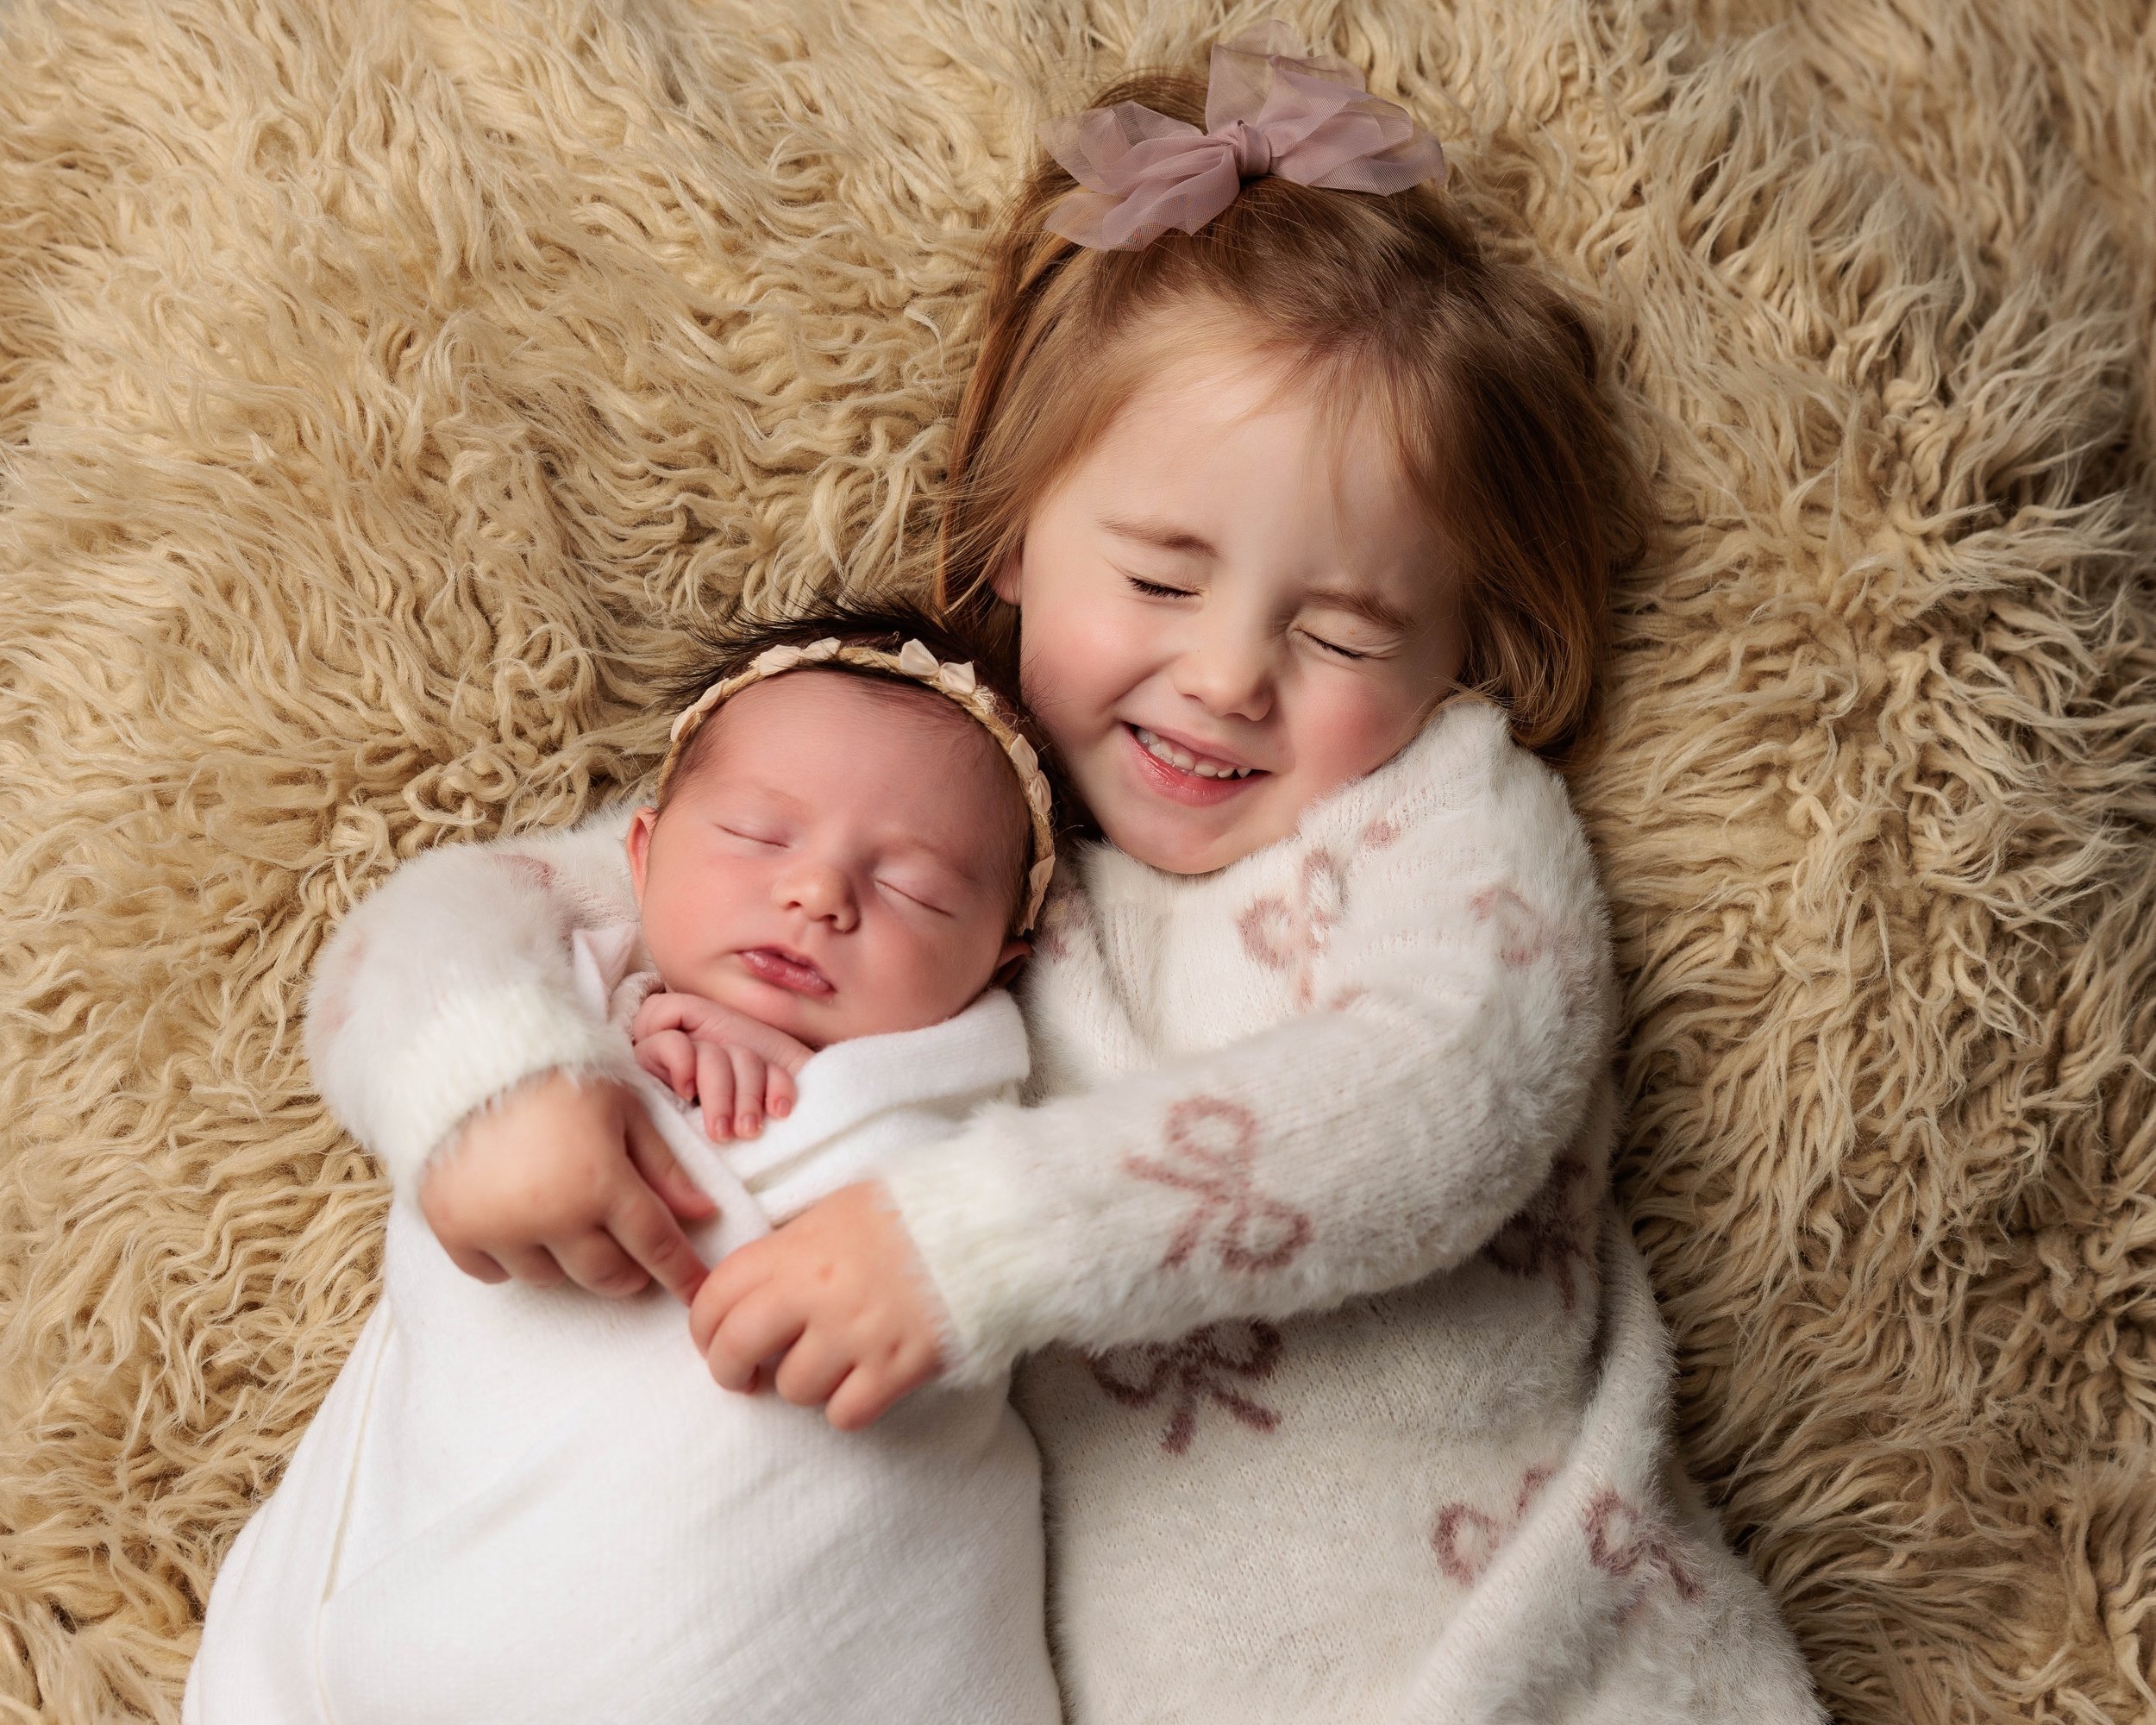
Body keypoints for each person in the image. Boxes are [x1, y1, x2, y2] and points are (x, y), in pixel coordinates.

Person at [285, 27, 1827, 1722]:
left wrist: (979, 1242)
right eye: (1160, 580)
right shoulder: (938, 817)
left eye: (1336, 631)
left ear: (1460, 646)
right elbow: (443, 917)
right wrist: (491, 1083)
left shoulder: (1427, 817)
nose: (1229, 678)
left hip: (1553, 1654)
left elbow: (1450, 1090)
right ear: (1016, 532)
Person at [183, 613, 1065, 1725]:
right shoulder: (571, 1003)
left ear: (1001, 964)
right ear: (641, 857)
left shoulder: (971, 1115)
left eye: (916, 893)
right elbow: (393, 982)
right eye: (756, 834)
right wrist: (582, 1067)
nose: (819, 894)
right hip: (478, 1624)